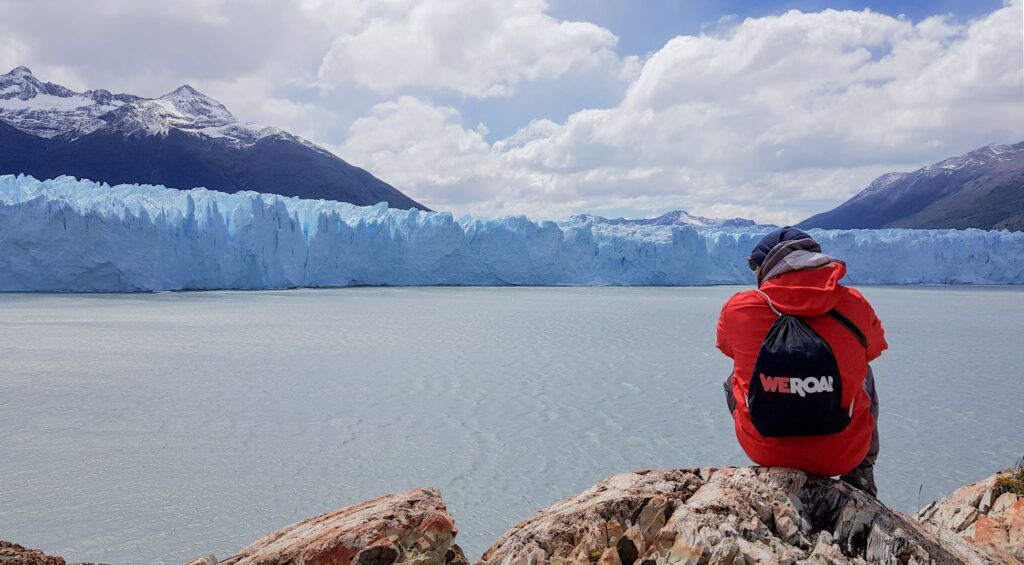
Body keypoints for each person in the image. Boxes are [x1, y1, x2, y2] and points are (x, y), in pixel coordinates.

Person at [716, 227, 887, 496]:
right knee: (864, 372)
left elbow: (728, 348)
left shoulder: (739, 308)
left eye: (754, 265)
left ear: (766, 266)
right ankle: (861, 473)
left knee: (733, 378)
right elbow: (874, 348)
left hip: (765, 452)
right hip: (843, 454)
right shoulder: (854, 303)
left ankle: (773, 446)